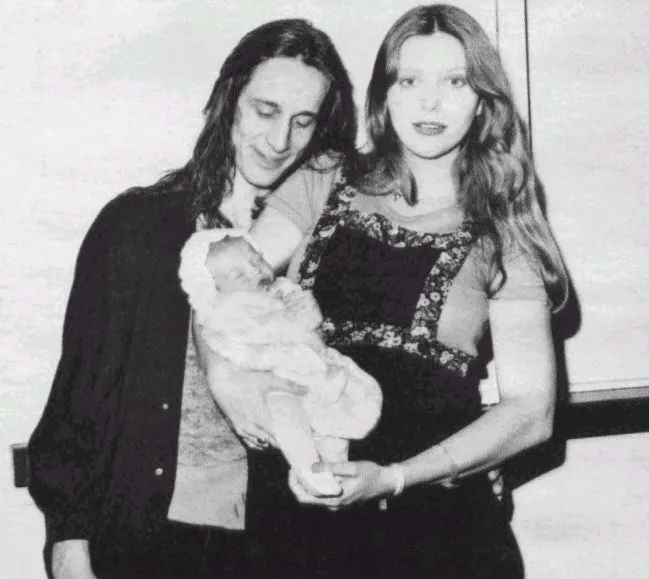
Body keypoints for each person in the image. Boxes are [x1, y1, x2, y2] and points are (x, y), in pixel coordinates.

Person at [242, 5, 568, 578]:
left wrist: (393, 478)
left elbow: (532, 411)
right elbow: (225, 286)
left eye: (456, 82)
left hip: (438, 529)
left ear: (483, 100)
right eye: (410, 80)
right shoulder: (323, 177)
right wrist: (248, 405)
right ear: (384, 95)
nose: (430, 103)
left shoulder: (504, 229)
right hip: (299, 516)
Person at [27, 18, 356, 579]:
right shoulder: (135, 227)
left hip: (284, 547)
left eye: (303, 121)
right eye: (265, 111)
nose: (280, 141)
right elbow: (79, 400)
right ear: (229, 100)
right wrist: (69, 541)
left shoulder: (331, 242)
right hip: (147, 543)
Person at [179, 229, 382, 496]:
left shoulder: (283, 289)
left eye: (256, 260)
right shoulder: (224, 311)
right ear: (215, 289)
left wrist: (306, 312)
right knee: (289, 420)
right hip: (274, 378)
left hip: (313, 369)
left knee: (335, 423)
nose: (255, 271)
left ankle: (336, 468)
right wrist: (260, 353)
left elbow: (311, 323)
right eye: (238, 275)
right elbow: (228, 346)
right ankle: (308, 470)